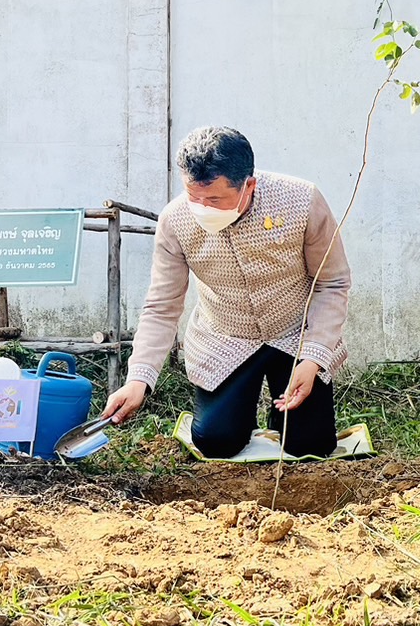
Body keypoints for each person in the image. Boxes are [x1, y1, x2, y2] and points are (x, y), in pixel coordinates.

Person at [101, 126, 351, 459]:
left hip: (296, 334)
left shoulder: (301, 201)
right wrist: (139, 378)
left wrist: (314, 357)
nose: (202, 207)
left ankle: (284, 414)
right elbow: (162, 305)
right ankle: (237, 414)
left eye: (215, 199)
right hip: (223, 340)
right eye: (194, 196)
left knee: (311, 446)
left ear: (249, 185)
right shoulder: (175, 221)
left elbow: (332, 282)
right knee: (216, 442)